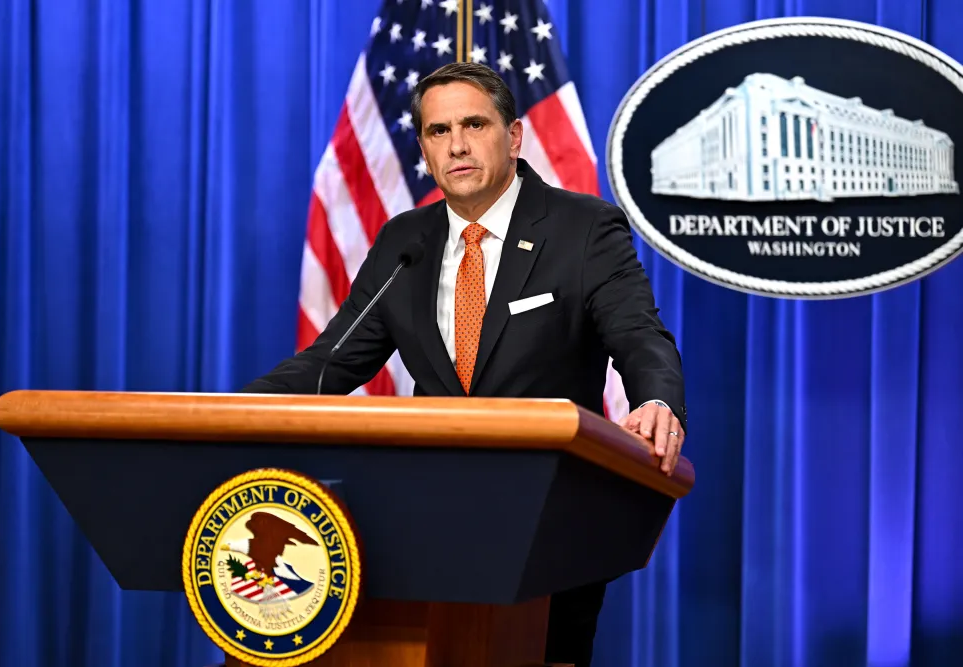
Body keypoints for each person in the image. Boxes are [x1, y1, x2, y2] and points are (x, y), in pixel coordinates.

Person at [241, 62, 687, 666]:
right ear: (423, 145)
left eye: (474, 124)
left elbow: (638, 334)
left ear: (515, 135)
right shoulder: (406, 240)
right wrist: (236, 411)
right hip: (428, 518)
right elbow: (331, 363)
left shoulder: (582, 228)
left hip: (549, 521)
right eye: (437, 130)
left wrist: (656, 399)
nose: (456, 144)